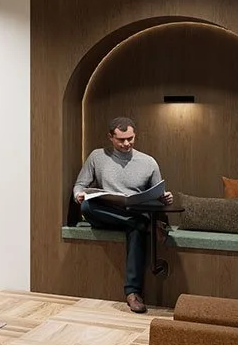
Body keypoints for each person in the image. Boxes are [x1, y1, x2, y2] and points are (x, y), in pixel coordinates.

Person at [73, 117, 173, 314]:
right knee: (86, 207)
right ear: (110, 137)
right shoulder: (97, 156)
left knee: (134, 227)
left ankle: (133, 294)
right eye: (121, 140)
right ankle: (145, 225)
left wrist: (164, 199)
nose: (127, 143)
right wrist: (78, 194)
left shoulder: (148, 162)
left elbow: (157, 194)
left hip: (133, 213)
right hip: (105, 214)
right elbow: (80, 184)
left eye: (131, 138)